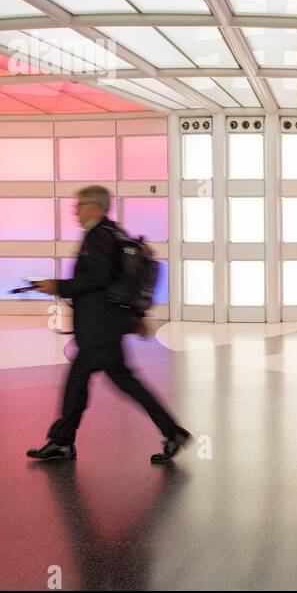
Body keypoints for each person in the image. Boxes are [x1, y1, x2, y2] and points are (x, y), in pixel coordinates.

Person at [26, 185, 190, 464]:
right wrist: (136, 317)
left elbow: (98, 279)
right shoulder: (112, 233)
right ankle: (62, 441)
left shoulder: (98, 236)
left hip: (99, 330)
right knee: (89, 382)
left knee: (112, 383)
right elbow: (118, 279)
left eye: (78, 206)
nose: (75, 212)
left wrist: (59, 286)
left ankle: (172, 431)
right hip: (103, 328)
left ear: (94, 206)